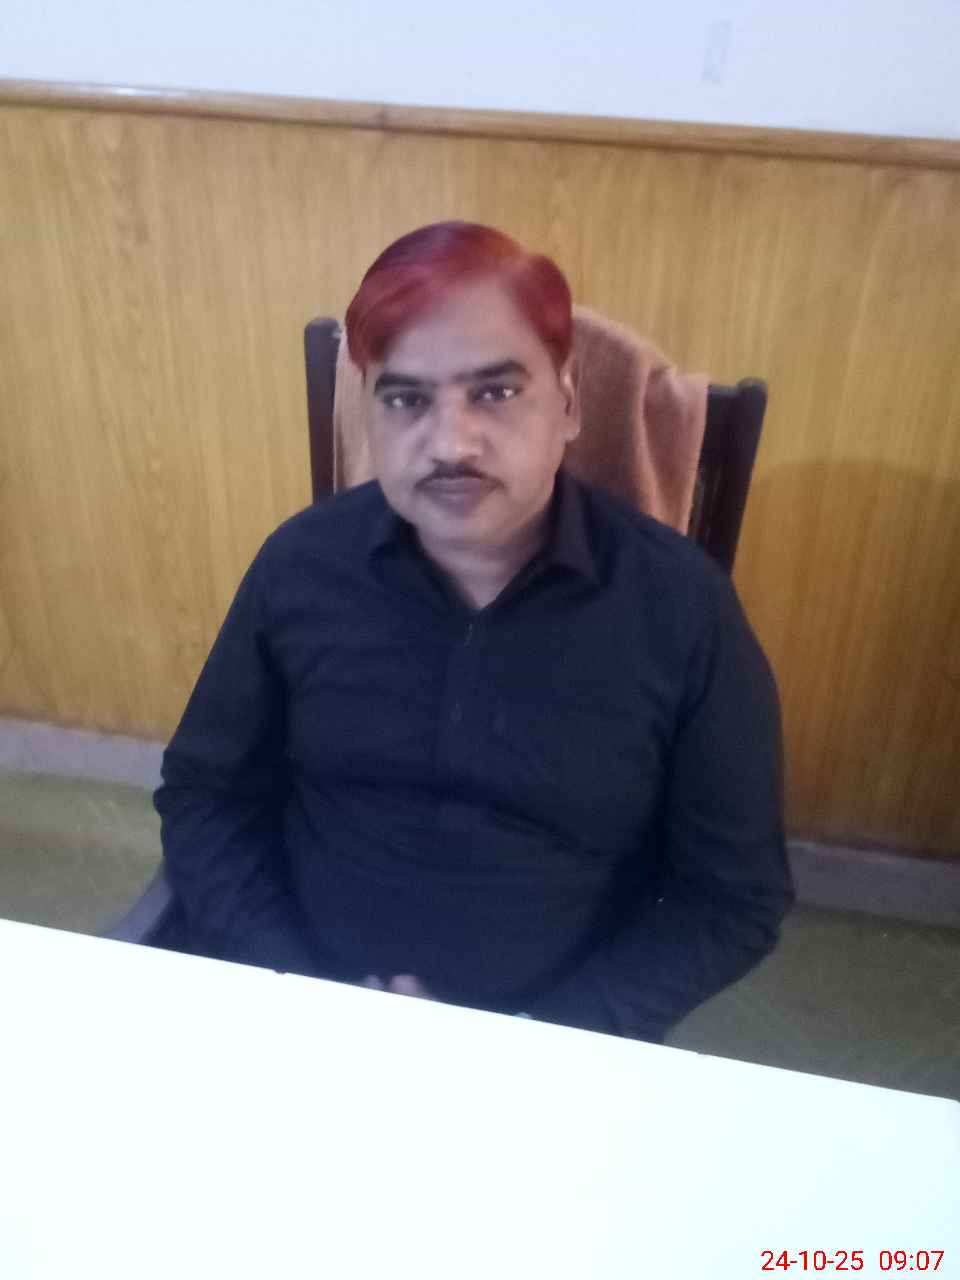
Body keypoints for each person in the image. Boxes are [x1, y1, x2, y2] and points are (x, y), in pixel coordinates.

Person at [155, 220, 793, 1042]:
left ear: (568, 406)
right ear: (367, 414)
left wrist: (536, 1039)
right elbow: (206, 793)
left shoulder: (683, 609)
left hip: (556, 1043)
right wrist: (301, 989)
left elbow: (733, 893)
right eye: (405, 399)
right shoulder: (300, 566)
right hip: (300, 1010)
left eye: (495, 393)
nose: (451, 444)